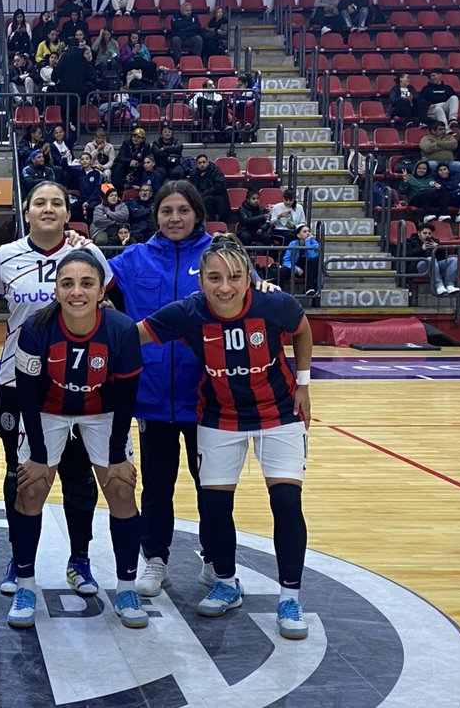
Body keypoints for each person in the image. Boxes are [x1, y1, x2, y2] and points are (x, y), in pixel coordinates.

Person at [137, 233, 313, 640]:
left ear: (249, 277)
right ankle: (226, 581)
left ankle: (290, 597)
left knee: (286, 500)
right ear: (202, 282)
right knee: (214, 505)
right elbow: (137, 334)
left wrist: (303, 383)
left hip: (279, 412)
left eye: (235, 277)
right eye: (214, 278)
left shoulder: (274, 304)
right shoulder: (189, 311)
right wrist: (92, 321)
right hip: (219, 416)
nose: (225, 287)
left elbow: (302, 329)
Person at [0, 181, 114, 603]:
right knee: (20, 474)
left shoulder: (90, 256)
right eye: (40, 202)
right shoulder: (4, 257)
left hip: (80, 382)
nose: (48, 208)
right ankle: (20, 561)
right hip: (18, 384)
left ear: (68, 209)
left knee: (77, 473)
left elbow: (115, 312)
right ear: (27, 210)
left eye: (57, 201)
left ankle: (79, 558)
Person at [11, 250, 145, 629]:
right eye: (67, 283)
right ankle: (24, 584)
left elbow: (125, 398)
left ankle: (126, 586)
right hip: (47, 409)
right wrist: (38, 454)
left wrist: (117, 453)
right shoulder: (36, 328)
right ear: (55, 291)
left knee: (120, 488)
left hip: (103, 411)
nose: (76, 292)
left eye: (87, 283)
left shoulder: (121, 330)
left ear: (101, 290)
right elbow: (27, 394)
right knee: (32, 488)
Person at [106, 181, 212, 598]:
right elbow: (89, 277)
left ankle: (216, 559)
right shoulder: (133, 260)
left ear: (196, 213)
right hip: (151, 398)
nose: (174, 218)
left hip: (208, 396)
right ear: (156, 216)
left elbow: (249, 293)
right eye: (167, 211)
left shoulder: (216, 256)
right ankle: (156, 559)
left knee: (212, 486)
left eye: (183, 210)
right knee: (157, 485)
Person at [401, 222, 460, 295]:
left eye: (429, 233)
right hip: (418, 267)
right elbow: (407, 255)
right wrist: (421, 249)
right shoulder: (410, 241)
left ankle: (449, 285)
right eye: (425, 233)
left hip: (435, 266)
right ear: (419, 233)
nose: (427, 235)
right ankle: (439, 286)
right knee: (429, 259)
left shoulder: (434, 241)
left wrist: (437, 248)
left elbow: (445, 255)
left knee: (454, 260)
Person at [420, 121, 460, 186]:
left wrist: (437, 143)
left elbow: (453, 145)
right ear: (433, 131)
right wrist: (445, 146)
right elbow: (428, 148)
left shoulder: (449, 137)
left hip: (449, 162)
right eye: (440, 129)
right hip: (433, 161)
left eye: (444, 129)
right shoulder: (426, 138)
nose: (443, 131)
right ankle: (432, 185)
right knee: (432, 165)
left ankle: (454, 185)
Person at [279, 224, 320, 295]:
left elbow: (312, 257)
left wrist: (307, 242)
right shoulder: (293, 244)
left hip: (308, 271)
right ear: (298, 235)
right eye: (304, 231)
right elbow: (286, 261)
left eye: (309, 231)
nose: (308, 233)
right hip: (295, 270)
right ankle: (278, 290)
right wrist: (295, 268)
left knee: (314, 260)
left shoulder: (314, 243)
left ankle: (308, 288)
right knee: (283, 270)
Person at [189, 153, 230, 223]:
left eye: (204, 162)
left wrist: (203, 194)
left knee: (205, 200)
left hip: (216, 197)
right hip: (201, 196)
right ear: (196, 164)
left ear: (208, 162)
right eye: (199, 163)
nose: (202, 164)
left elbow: (219, 187)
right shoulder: (194, 174)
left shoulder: (216, 171)